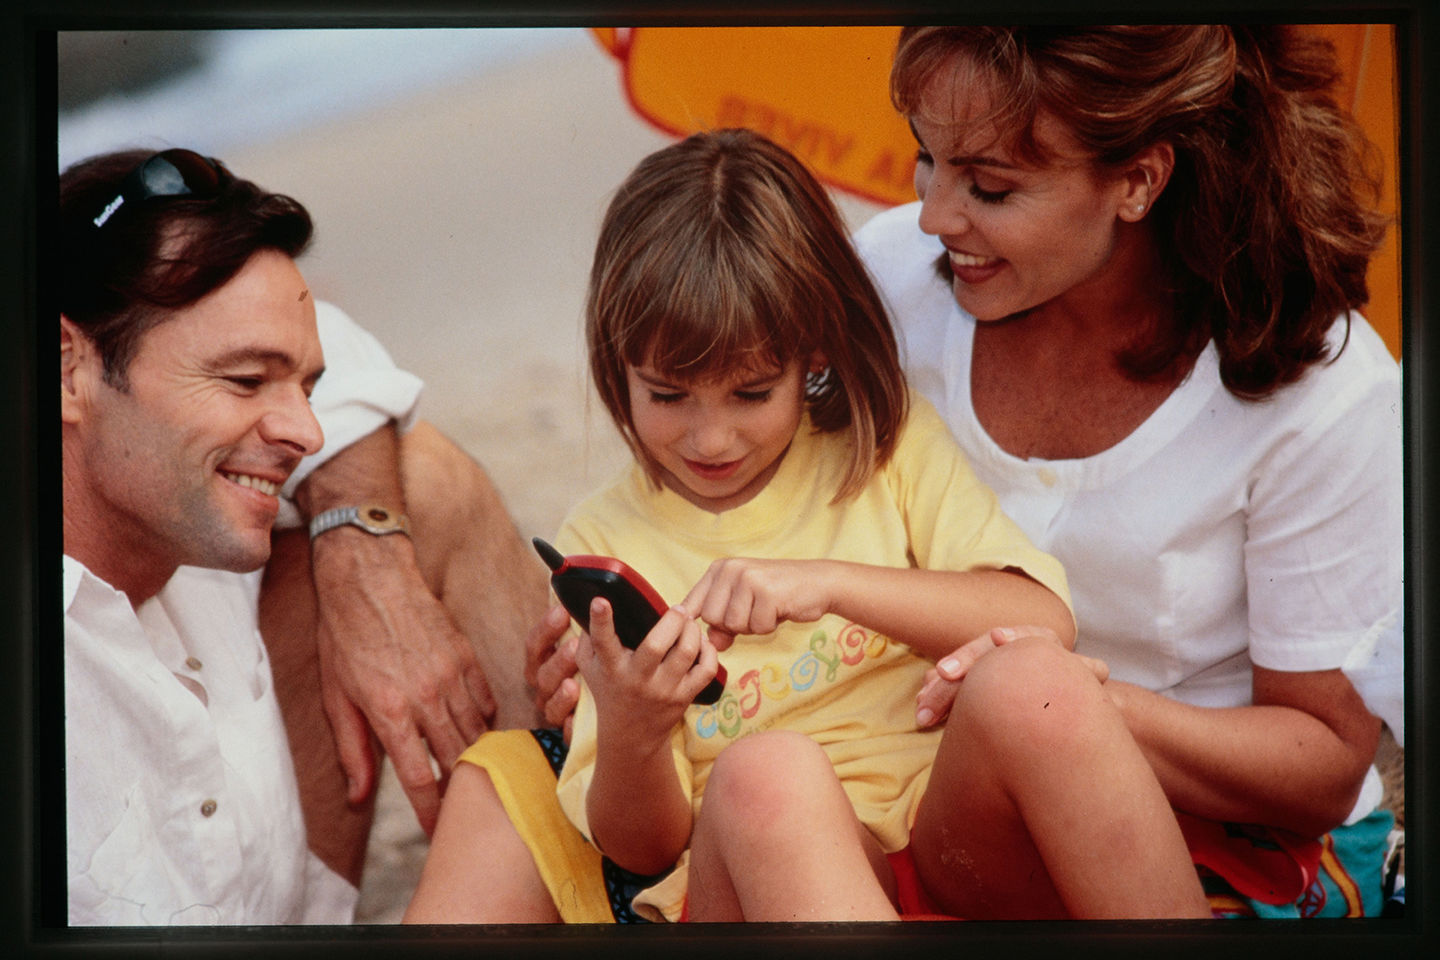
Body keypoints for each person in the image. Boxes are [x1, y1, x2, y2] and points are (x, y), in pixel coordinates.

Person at [446, 23, 1402, 923]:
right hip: (900, 821)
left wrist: (1062, 695)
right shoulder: (892, 282)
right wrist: (605, 700)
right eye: (925, 158)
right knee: (721, 778)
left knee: (1033, 688)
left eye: (989, 186)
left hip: (1177, 810)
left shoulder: (1322, 384)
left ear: (1138, 180)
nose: (933, 215)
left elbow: (1317, 765)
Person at [406, 128, 1219, 924]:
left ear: (815, 356)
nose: (710, 438)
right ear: (616, 367)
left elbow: (1045, 621)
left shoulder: (881, 449)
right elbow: (643, 849)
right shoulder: (606, 544)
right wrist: (634, 727)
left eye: (752, 393)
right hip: (758, 879)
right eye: (667, 395)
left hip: (946, 842)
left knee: (1036, 681)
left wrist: (827, 585)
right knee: (770, 776)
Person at [60, 147, 545, 924]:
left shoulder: (185, 505)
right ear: (65, 369)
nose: (306, 430)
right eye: (246, 381)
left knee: (422, 482)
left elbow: (339, 342)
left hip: (284, 904)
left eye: (305, 387)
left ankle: (589, 850)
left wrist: (364, 554)